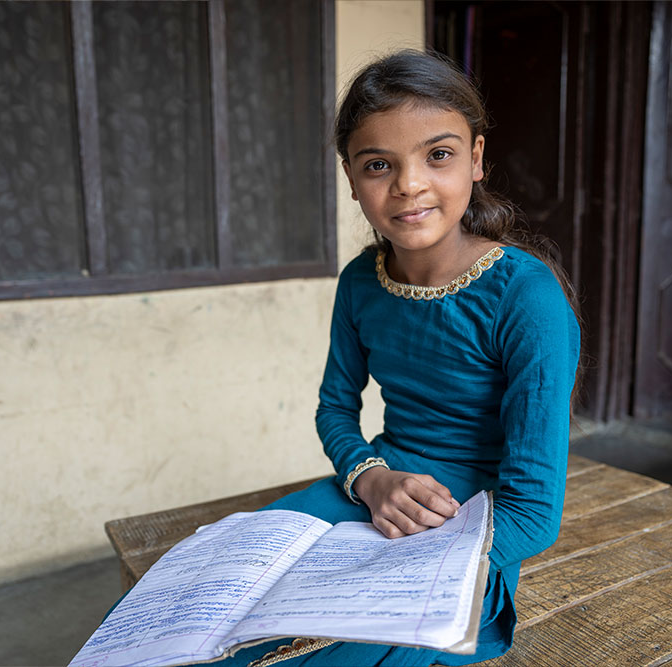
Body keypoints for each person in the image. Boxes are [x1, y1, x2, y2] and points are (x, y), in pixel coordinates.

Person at [217, 49, 582, 667]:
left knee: (326, 652)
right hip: (371, 496)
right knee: (224, 594)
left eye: (437, 155)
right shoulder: (362, 281)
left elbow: (535, 515)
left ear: (476, 159)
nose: (408, 184)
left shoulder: (527, 295)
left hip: (470, 531)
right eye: (379, 165)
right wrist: (371, 478)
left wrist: (389, 569)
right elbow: (335, 409)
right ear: (351, 178)